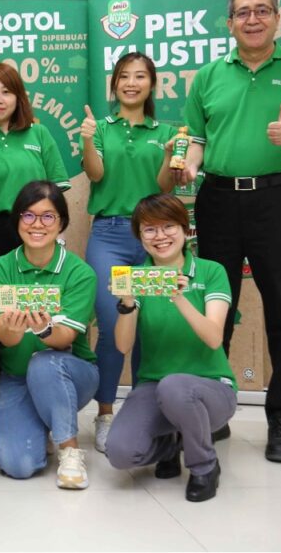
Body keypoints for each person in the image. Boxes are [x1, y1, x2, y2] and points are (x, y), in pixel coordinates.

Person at [179, 0, 281, 463]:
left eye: (262, 10)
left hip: (279, 199)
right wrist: (190, 164)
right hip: (218, 200)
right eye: (243, 12)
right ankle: (213, 410)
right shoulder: (208, 76)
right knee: (215, 307)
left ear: (277, 18)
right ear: (229, 23)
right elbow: (197, 138)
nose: (253, 19)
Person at [0, 62, 70, 451]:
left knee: (38, 319)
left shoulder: (39, 133)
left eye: (6, 91)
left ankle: (44, 413)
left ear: (18, 96)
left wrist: (53, 238)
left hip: (34, 236)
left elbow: (56, 194)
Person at [105, 193, 236, 502]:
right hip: (154, 387)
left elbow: (213, 338)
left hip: (211, 388)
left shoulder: (211, 271)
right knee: (120, 453)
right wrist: (127, 303)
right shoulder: (137, 278)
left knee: (175, 386)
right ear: (140, 236)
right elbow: (123, 346)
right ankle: (172, 443)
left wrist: (178, 297)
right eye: (149, 229)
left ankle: (204, 466)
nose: (160, 236)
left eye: (168, 226)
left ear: (184, 229)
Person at [79, 51, 176, 453]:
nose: (131, 83)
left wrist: (169, 155)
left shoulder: (166, 130)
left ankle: (143, 412)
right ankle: (105, 413)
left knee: (149, 328)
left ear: (152, 84)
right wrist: (88, 139)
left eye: (140, 76)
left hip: (154, 239)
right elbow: (96, 174)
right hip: (110, 236)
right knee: (111, 324)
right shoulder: (100, 127)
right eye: (124, 76)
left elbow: (165, 187)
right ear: (114, 84)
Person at [0, 181, 99, 489]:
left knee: (44, 362)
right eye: (28, 215)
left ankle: (69, 449)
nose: (37, 224)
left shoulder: (80, 273)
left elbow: (64, 340)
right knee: (18, 465)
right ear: (17, 220)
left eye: (48, 216)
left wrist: (43, 328)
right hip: (17, 376)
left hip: (71, 373)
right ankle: (44, 423)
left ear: (61, 222)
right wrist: (12, 328)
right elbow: (5, 338)